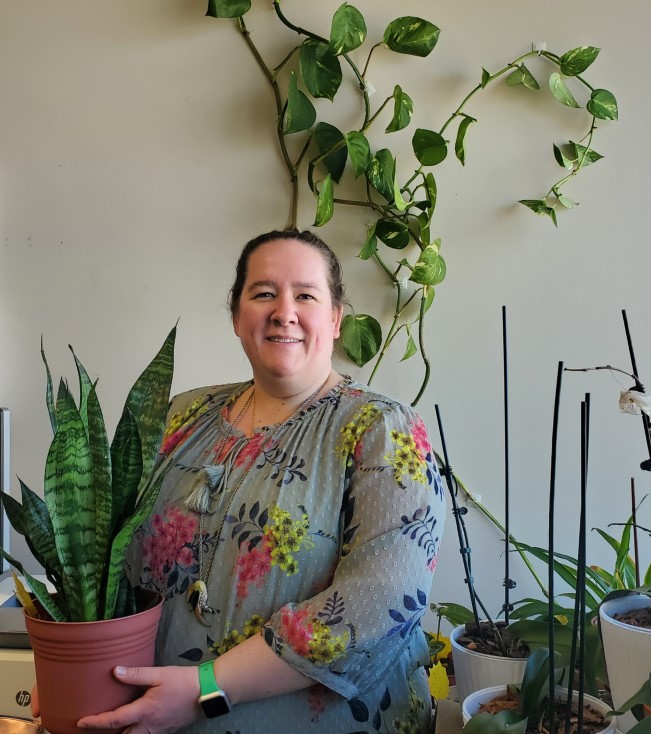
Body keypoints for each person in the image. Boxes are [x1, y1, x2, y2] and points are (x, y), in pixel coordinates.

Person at [66, 229, 445, 733]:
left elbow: (378, 607)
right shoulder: (181, 416)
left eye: (305, 295)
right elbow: (115, 571)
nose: (283, 311)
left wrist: (206, 688)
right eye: (264, 293)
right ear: (237, 316)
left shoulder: (383, 431)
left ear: (334, 319)